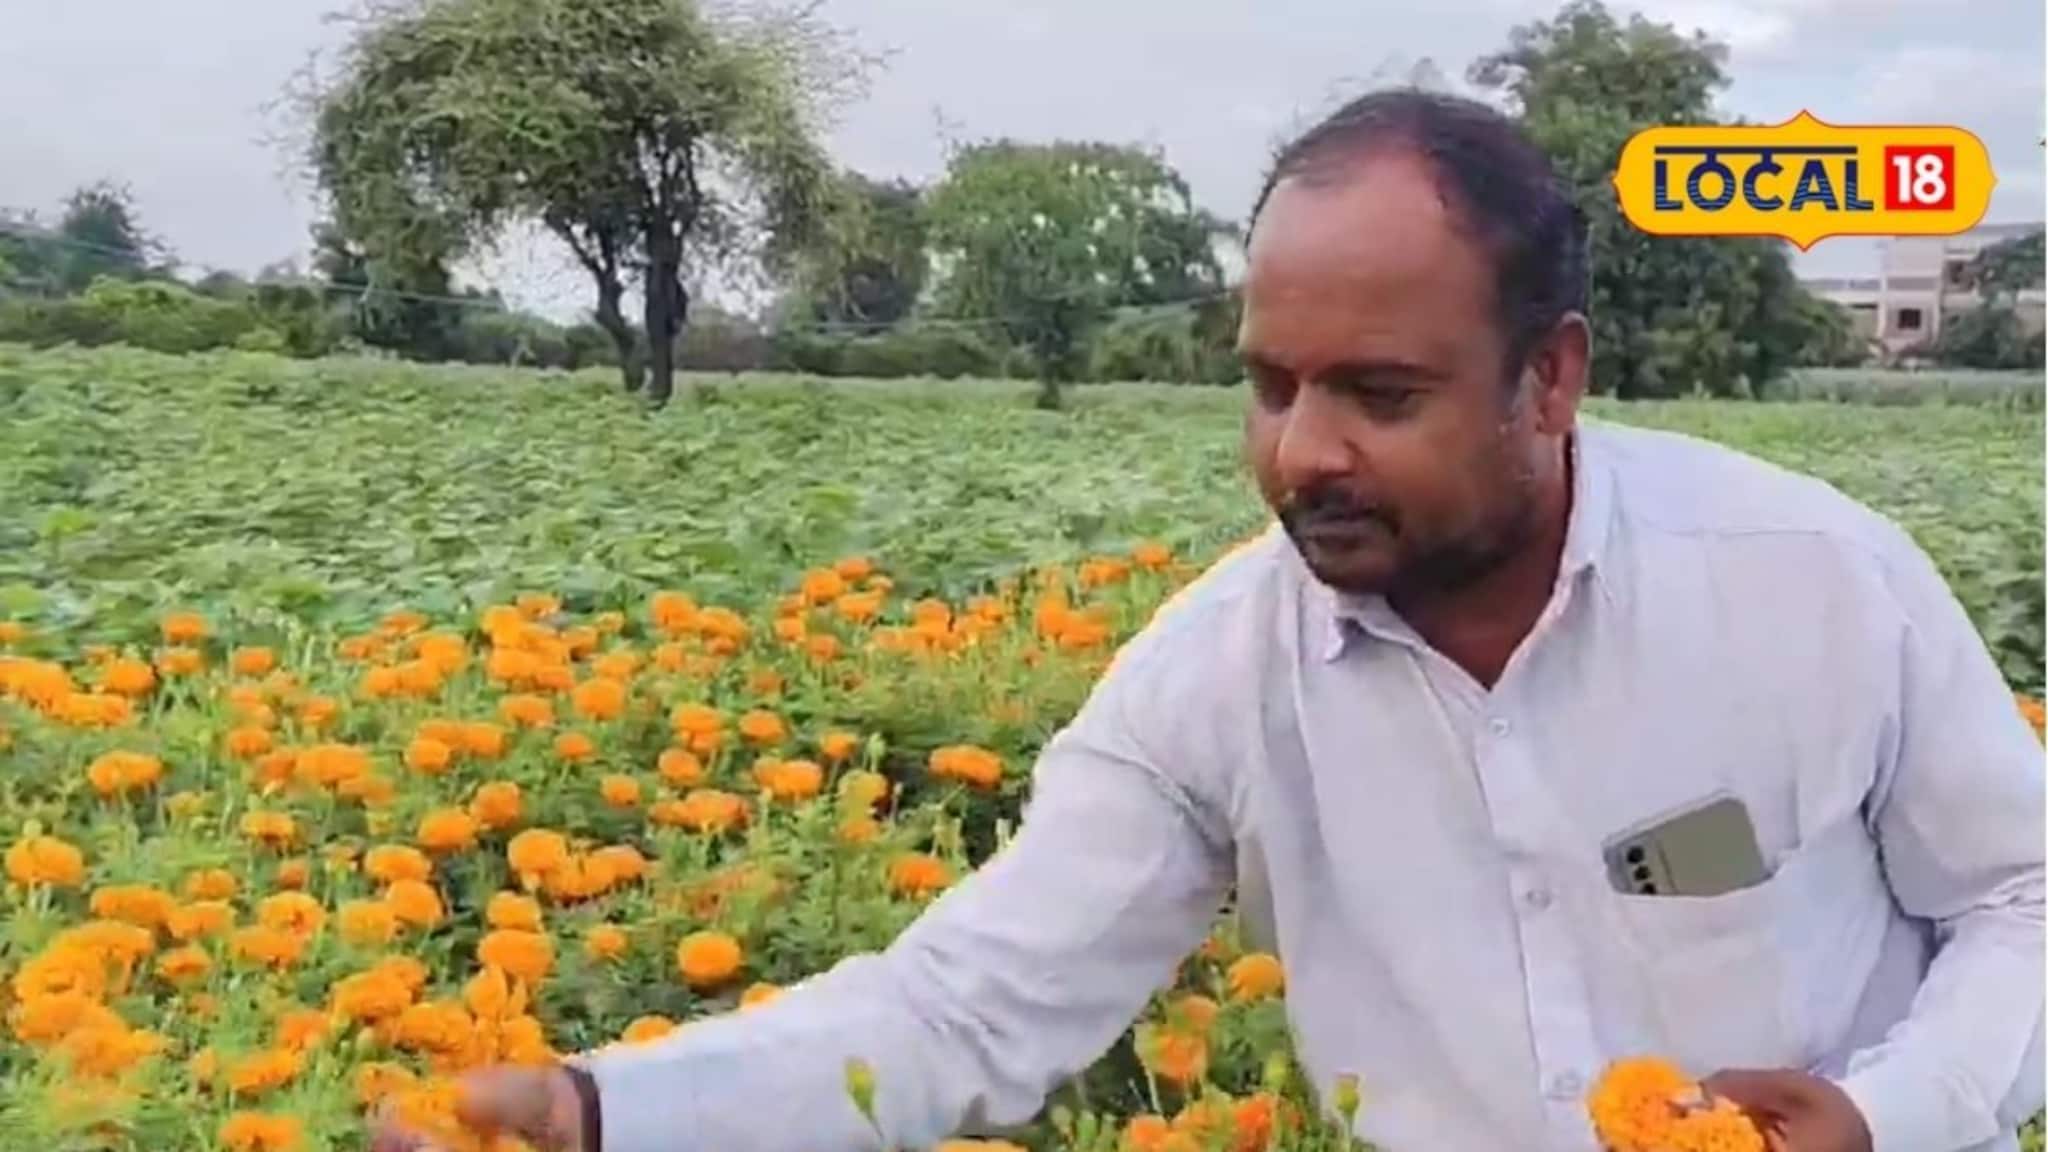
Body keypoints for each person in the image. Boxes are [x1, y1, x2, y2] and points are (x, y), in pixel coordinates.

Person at [372, 89, 2045, 1152]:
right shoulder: (1218, 680)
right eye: (1269, 384)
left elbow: (2029, 898)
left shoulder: (1812, 584)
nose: (1301, 448)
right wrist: (603, 1113)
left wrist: (1883, 1119)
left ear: (1551, 377)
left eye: (1378, 392)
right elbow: (964, 1007)